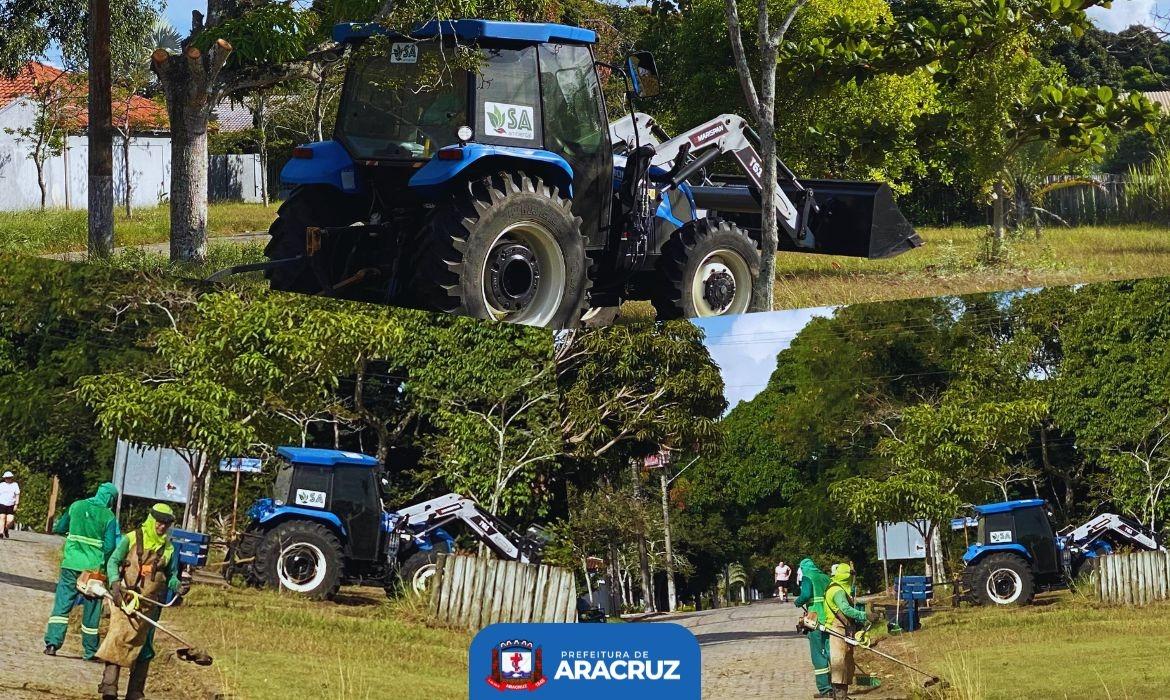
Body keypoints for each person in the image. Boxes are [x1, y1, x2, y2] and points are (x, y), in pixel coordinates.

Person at [97, 503, 181, 700]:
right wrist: (115, 583)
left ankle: (135, 691)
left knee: (144, 647)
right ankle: (109, 686)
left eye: (166, 524)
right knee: (117, 639)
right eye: (159, 522)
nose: (162, 527)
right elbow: (113, 561)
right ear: (152, 520)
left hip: (149, 606)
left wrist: (178, 586)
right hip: (125, 599)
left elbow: (172, 576)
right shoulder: (132, 538)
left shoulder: (169, 549)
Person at [43, 482, 120, 658]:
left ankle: (52, 644)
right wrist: (108, 567)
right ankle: (90, 651)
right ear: (110, 499)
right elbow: (110, 546)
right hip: (93, 570)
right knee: (92, 610)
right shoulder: (108, 516)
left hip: (71, 564)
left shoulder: (76, 506)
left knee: (62, 604)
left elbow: (60, 528)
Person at [824, 563, 869, 700]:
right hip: (837, 629)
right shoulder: (837, 591)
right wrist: (864, 615)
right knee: (840, 662)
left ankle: (841, 695)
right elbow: (846, 609)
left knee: (846, 661)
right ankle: (840, 696)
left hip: (842, 628)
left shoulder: (835, 587)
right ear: (846, 577)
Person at [793, 558, 833, 698]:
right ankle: (837, 685)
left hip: (815, 620)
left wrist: (798, 601)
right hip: (829, 620)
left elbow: (805, 595)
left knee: (818, 654)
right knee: (830, 651)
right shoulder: (825, 577)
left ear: (803, 568)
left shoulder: (807, 577)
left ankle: (825, 689)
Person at [0, 470, 20, 538]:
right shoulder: (1, 485)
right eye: (6, 478)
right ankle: (1, 533)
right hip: (2, 504)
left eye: (9, 478)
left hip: (11, 504)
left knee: (10, 520)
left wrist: (16, 504)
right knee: (2, 518)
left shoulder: (15, 485)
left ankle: (5, 529)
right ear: (4, 478)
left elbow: (17, 494)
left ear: (11, 478)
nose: (8, 479)